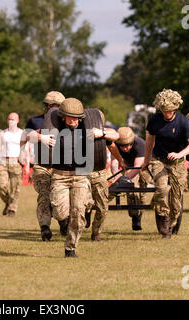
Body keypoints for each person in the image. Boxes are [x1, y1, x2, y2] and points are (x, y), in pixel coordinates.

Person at [49, 98, 108, 257]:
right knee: (60, 213)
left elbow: (115, 134)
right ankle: (63, 222)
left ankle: (70, 248)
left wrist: (101, 133)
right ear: (63, 117)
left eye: (76, 117)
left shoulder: (87, 130)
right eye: (70, 117)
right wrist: (41, 138)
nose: (73, 121)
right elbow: (32, 134)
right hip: (59, 176)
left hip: (80, 176)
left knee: (78, 213)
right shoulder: (55, 129)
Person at [141, 89, 189, 239]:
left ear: (175, 108)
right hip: (159, 159)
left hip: (177, 163)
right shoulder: (155, 119)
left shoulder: (183, 122)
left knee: (176, 198)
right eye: (164, 111)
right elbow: (149, 140)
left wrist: (180, 154)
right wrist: (147, 160)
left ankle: (173, 221)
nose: (167, 114)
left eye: (169, 111)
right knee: (161, 190)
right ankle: (164, 222)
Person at [21, 91, 65, 241]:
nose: (56, 109)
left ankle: (63, 220)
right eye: (54, 106)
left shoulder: (69, 120)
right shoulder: (37, 121)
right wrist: (41, 137)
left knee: (60, 198)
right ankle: (44, 227)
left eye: (59, 106)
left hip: (63, 167)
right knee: (44, 197)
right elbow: (24, 136)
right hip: (43, 166)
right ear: (48, 106)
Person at [107, 127, 152, 232]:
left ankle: (139, 214)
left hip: (144, 166)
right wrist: (116, 177)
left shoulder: (140, 144)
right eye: (122, 146)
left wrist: (124, 179)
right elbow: (114, 161)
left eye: (127, 145)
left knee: (141, 193)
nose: (125, 148)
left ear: (132, 142)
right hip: (129, 166)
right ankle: (135, 217)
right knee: (131, 188)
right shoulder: (115, 145)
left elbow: (138, 167)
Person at [85, 112, 119, 242]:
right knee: (85, 202)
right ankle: (86, 212)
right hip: (82, 173)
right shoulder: (79, 129)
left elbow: (116, 136)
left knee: (103, 207)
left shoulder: (103, 132)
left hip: (100, 173)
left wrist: (102, 133)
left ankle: (96, 233)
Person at [0, 112, 24, 217]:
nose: (11, 121)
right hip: (4, 161)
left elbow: (25, 150)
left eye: (13, 119)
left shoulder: (22, 133)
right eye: (9, 119)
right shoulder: (3, 133)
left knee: (15, 188)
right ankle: (8, 202)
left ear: (18, 121)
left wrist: (26, 164)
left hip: (16, 161)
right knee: (0, 185)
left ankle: (12, 209)